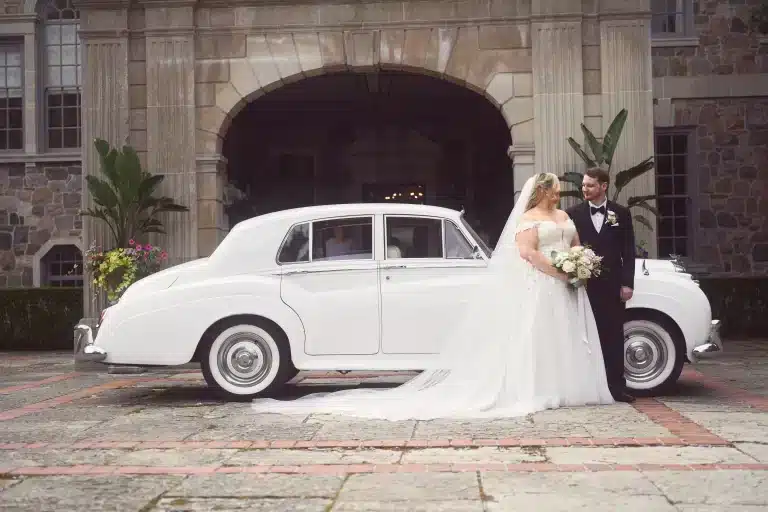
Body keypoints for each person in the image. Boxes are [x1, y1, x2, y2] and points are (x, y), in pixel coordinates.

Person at [251, 173, 615, 420]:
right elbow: (528, 253)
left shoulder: (562, 215)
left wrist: (576, 266)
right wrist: (561, 271)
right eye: (555, 188)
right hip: (547, 278)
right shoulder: (530, 219)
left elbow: (572, 243)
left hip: (562, 284)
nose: (561, 192)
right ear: (543, 191)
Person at [566, 167, 636, 403]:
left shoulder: (621, 213)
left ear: (603, 186)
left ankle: (617, 388)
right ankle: (587, 388)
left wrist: (627, 283)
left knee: (613, 336)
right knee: (584, 336)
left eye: (590, 185)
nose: (584, 189)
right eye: (583, 185)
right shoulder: (573, 214)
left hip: (613, 286)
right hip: (583, 286)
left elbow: (628, 250)